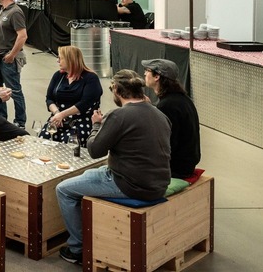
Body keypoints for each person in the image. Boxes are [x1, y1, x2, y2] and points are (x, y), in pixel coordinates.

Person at [55, 70, 172, 265]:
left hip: (129, 184)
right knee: (90, 173)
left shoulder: (118, 115)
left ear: (117, 90)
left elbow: (94, 150)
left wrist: (96, 126)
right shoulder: (159, 113)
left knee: (63, 189)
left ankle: (77, 248)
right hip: (158, 182)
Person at [143, 58, 201, 178]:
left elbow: (165, 144)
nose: (144, 73)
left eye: (147, 70)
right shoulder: (182, 99)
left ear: (157, 77)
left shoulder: (167, 106)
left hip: (176, 168)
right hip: (187, 163)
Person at [39, 45, 103, 146]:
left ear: (70, 59)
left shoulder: (91, 78)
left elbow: (84, 104)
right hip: (58, 120)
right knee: (43, 141)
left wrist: (62, 115)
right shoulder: (58, 76)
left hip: (80, 121)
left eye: (60, 58)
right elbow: (49, 99)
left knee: (70, 144)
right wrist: (57, 113)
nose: (57, 61)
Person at [0, 0, 28, 128]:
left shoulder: (15, 12)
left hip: (8, 58)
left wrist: (12, 54)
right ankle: (0, 118)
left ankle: (20, 121)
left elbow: (22, 36)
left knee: (14, 90)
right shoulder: (2, 10)